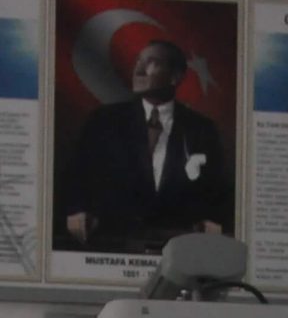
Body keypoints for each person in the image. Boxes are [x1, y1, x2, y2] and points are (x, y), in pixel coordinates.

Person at [63, 39, 233, 252]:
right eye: (138, 61)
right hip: (112, 243)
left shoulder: (201, 129)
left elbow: (216, 189)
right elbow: (77, 175)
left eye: (152, 62)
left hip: (176, 248)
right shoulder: (103, 121)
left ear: (175, 77)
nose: (139, 70)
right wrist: (77, 210)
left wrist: (212, 220)